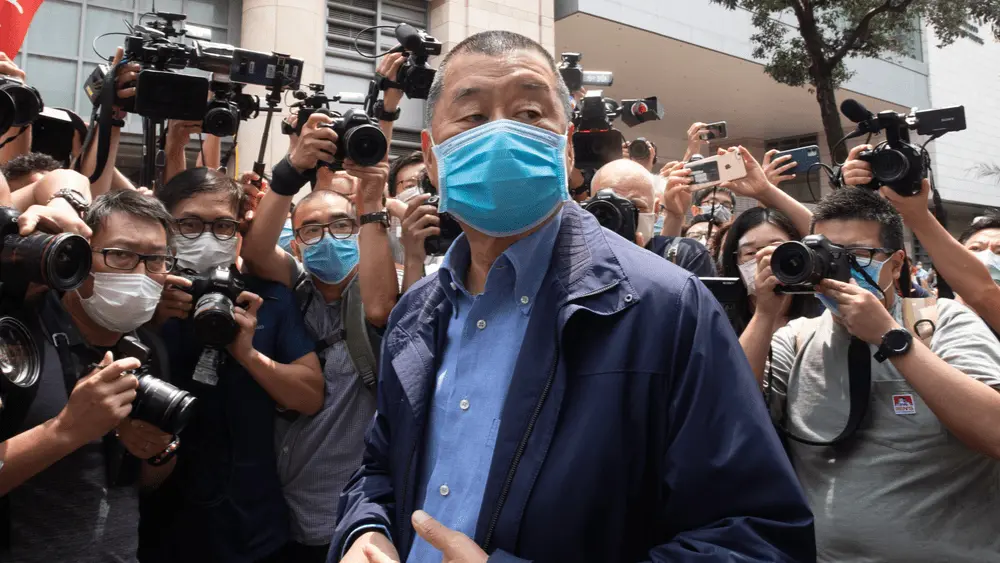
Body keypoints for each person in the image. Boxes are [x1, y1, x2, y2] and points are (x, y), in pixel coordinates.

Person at [333, 30, 815, 563]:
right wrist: (365, 531)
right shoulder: (416, 312)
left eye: (530, 113)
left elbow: (755, 535)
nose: (502, 134)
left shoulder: (667, 307)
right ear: (431, 156)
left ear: (565, 149)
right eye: (472, 117)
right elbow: (378, 469)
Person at [741, 187, 1000, 562]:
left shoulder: (938, 321)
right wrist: (766, 314)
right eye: (825, 253)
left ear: (896, 264)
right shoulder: (796, 338)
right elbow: (729, 415)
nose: (838, 267)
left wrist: (891, 338)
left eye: (858, 255)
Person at [140, 167, 323, 563]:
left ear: (240, 230)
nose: (208, 237)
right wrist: (149, 323)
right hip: (159, 523)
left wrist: (247, 352)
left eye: (223, 226)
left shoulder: (267, 299)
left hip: (253, 523)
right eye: (189, 224)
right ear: (166, 226)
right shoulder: (141, 294)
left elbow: (310, 396)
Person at [240, 109, 397, 560]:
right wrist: (291, 170)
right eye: (311, 229)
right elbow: (256, 252)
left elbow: (381, 308)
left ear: (360, 229)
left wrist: (373, 199)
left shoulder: (386, 286)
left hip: (354, 518)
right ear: (295, 244)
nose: (328, 237)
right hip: (286, 512)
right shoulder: (294, 291)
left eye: (342, 226)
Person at [0, 190, 178, 562]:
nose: (141, 274)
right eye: (120, 254)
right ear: (78, 256)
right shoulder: (16, 339)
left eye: (156, 260)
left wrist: (158, 450)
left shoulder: (149, 349)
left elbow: (144, 483)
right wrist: (67, 430)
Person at [842, 147, 1000, 334]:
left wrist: (918, 216)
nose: (987, 258)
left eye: (999, 251)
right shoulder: (921, 316)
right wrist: (855, 195)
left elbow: (982, 291)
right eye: (975, 248)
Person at [591, 158, 715, 276]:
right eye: (609, 208)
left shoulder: (686, 255)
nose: (621, 216)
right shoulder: (579, 259)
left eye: (634, 207)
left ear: (655, 210)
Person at [718, 207, 819, 338]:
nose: (765, 259)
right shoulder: (720, 320)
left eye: (776, 249)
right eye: (750, 253)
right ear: (734, 261)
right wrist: (764, 313)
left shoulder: (822, 312)